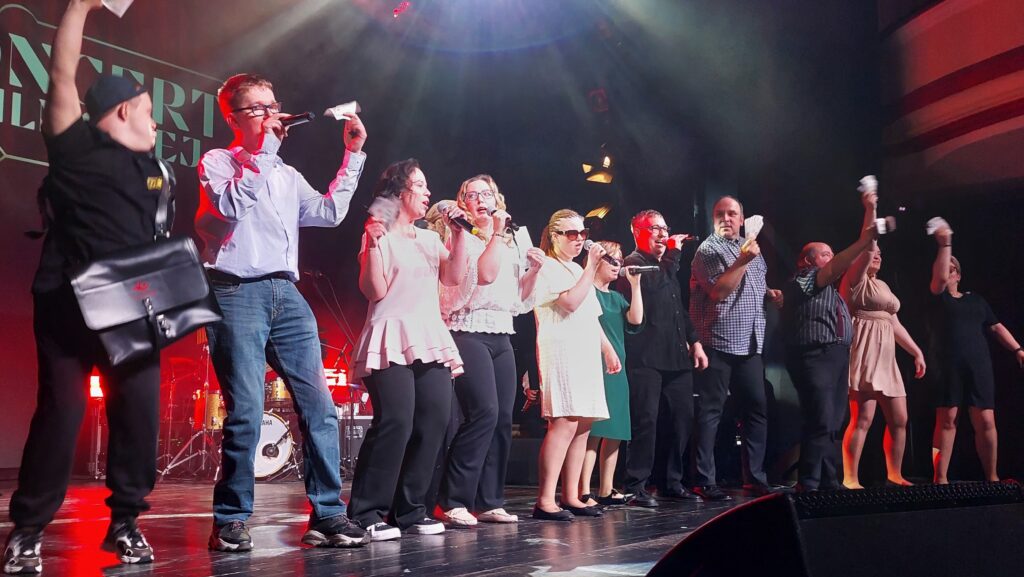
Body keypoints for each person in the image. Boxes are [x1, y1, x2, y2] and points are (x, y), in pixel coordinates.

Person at [3, 1, 163, 571]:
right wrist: (79, 7)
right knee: (62, 412)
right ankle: (27, 531)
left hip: (129, 305)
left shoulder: (155, 171)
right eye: (148, 112)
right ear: (122, 110)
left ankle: (125, 524)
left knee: (138, 413)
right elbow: (62, 73)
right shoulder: (75, 146)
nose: (155, 124)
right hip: (67, 300)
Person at [195, 73, 369, 550]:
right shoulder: (218, 161)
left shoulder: (286, 175)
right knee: (247, 410)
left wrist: (352, 156)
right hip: (236, 290)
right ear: (234, 117)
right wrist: (266, 151)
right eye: (259, 108)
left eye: (273, 105)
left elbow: (329, 212)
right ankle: (231, 519)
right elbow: (230, 206)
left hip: (286, 293)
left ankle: (328, 514)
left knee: (319, 406)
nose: (272, 114)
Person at [347, 159, 468, 540]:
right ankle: (367, 512)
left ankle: (411, 510)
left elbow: (453, 277)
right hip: (390, 335)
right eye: (420, 185)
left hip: (428, 336)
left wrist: (459, 234)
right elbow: (375, 290)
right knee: (396, 421)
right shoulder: (378, 232)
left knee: (434, 420)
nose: (428, 193)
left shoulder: (430, 240)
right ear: (400, 192)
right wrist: (372, 244)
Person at [436, 175, 545, 527]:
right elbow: (484, 276)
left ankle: (490, 500)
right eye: (473, 195)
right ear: (463, 203)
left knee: (502, 419)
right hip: (468, 330)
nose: (481, 200)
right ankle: (454, 499)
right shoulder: (462, 237)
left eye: (487, 194)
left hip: (501, 331)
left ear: (498, 199)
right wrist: (495, 234)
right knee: (483, 411)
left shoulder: (514, 239)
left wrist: (535, 270)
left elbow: (519, 300)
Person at [690, 197, 784, 500]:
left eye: (732, 214)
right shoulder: (708, 250)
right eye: (720, 214)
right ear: (712, 218)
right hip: (718, 340)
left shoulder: (750, 247)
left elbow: (752, 283)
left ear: (742, 219)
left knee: (756, 408)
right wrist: (743, 260)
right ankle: (704, 480)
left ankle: (754, 477)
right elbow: (719, 292)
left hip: (751, 341)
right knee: (711, 411)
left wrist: (769, 293)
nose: (726, 218)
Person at [783, 191, 876, 492]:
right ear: (808, 260)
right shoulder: (805, 278)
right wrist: (863, 240)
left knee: (834, 421)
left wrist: (870, 210)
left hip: (836, 355)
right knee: (821, 417)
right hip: (815, 355)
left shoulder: (831, 289)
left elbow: (862, 253)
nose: (830, 258)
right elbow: (841, 263)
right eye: (824, 254)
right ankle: (808, 484)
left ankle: (829, 481)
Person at [616, 211, 707, 508]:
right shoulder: (633, 263)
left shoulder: (665, 265)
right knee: (646, 420)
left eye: (664, 228)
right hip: (646, 357)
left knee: (682, 418)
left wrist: (695, 341)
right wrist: (673, 255)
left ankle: (671, 482)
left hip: (676, 355)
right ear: (637, 232)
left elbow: (678, 309)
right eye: (654, 228)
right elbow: (651, 290)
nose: (662, 234)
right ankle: (635, 485)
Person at [530, 210, 614, 521]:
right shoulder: (548, 266)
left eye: (582, 233)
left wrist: (607, 349)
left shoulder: (576, 268)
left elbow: (591, 315)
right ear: (554, 236)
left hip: (585, 349)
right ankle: (545, 499)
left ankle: (572, 495)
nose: (579, 239)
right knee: (564, 421)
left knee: (582, 424)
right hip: (562, 348)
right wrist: (591, 267)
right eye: (571, 233)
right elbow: (569, 304)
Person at [928, 225, 1024, 483]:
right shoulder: (939, 297)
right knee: (947, 420)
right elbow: (938, 280)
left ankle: (992, 477)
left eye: (949, 269)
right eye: (942, 268)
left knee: (986, 420)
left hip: (978, 366)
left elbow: (997, 327)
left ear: (957, 275)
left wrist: (1018, 349)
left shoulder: (976, 300)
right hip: (948, 366)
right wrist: (944, 244)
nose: (945, 272)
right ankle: (940, 478)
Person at [839, 241, 926, 488]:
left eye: (880, 254)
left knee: (900, 419)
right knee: (862, 419)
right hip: (865, 353)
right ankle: (850, 478)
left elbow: (894, 324)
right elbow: (867, 248)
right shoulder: (854, 279)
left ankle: (894, 475)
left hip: (887, 359)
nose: (877, 256)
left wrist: (916, 351)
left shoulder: (883, 285)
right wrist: (872, 231)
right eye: (873, 253)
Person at [578, 241, 644, 508]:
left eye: (620, 261)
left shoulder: (616, 297)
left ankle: (606, 489)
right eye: (613, 261)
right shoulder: (587, 292)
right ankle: (583, 490)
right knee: (594, 431)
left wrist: (635, 285)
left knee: (615, 430)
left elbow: (636, 320)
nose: (618, 266)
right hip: (594, 365)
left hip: (618, 367)